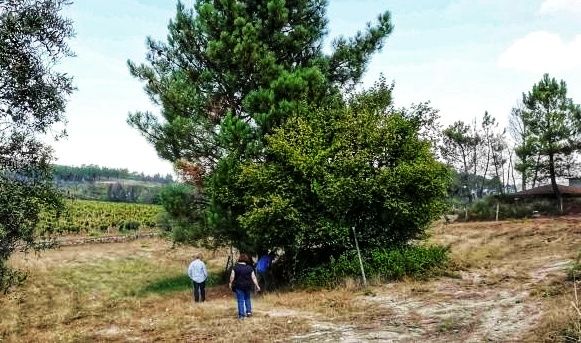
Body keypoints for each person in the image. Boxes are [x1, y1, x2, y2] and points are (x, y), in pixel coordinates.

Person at [229, 253, 261, 319]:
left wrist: (230, 283)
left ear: (239, 259)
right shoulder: (249, 268)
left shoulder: (235, 268)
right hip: (247, 286)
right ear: (246, 260)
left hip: (239, 286)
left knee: (240, 300)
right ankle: (249, 312)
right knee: (247, 298)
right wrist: (257, 286)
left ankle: (241, 315)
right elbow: (254, 277)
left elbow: (232, 276)